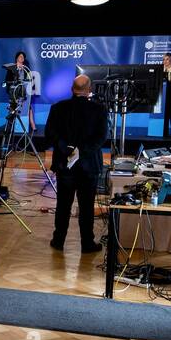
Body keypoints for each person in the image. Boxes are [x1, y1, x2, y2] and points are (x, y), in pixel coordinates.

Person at [44, 74, 107, 252]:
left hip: (65, 165)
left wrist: (67, 149)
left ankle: (58, 240)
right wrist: (82, 151)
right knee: (86, 206)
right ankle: (87, 243)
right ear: (89, 90)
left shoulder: (57, 108)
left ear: (72, 89)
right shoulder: (99, 109)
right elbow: (101, 137)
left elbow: (50, 135)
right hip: (89, 166)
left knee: (63, 204)